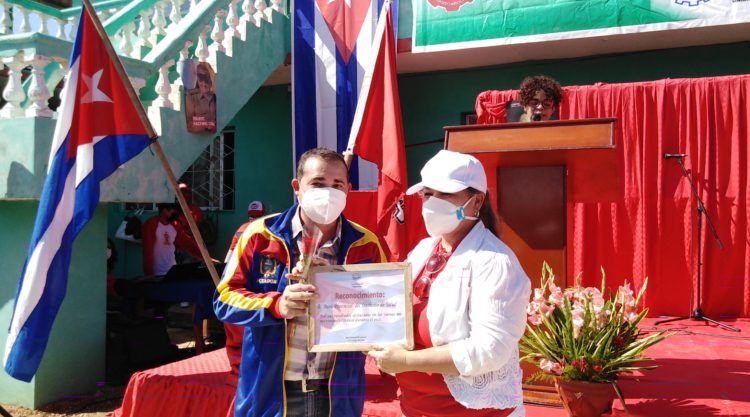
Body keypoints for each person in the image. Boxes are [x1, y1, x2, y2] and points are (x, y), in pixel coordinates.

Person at [214, 148, 386, 417]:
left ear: (348, 190)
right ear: (298, 187)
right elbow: (224, 299)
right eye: (318, 183)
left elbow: (385, 310)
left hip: (337, 390)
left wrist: (342, 291)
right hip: (271, 389)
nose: (328, 192)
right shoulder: (259, 236)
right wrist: (278, 305)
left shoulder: (366, 244)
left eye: (337, 185)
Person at [367, 150, 531, 417]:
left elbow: (490, 349)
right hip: (417, 407)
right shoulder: (423, 249)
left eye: (444, 194)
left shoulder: (495, 261)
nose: (432, 203)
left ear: (477, 201)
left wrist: (407, 361)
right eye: (428, 194)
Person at [141, 203, 201, 277]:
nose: (176, 214)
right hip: (157, 275)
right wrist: (149, 275)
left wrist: (206, 259)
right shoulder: (151, 224)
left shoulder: (174, 225)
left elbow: (187, 242)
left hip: (172, 272)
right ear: (165, 210)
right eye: (174, 211)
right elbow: (148, 251)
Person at [186, 62, 217, 132]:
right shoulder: (192, 98)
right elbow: (189, 123)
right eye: (201, 78)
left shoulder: (216, 98)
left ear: (211, 79)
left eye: (207, 78)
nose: (204, 82)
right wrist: (206, 123)